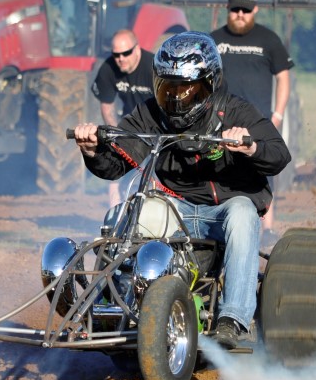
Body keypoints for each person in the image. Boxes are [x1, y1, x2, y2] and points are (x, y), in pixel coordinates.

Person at [72, 32, 290, 350]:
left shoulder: (236, 111)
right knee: (130, 210)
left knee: (243, 212)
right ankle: (113, 305)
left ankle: (234, 320)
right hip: (178, 206)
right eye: (168, 87)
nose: (176, 98)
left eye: (186, 88)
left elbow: (279, 154)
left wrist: (250, 146)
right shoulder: (152, 115)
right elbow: (116, 164)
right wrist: (91, 150)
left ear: (209, 83)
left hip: (227, 207)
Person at [211, 0, 295, 234]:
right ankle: (220, 222)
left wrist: (277, 115)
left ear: (255, 10)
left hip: (258, 120)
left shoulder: (268, 39)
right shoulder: (214, 40)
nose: (240, 14)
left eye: (245, 10)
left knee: (263, 166)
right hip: (220, 118)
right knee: (219, 167)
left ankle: (267, 227)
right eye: (236, 9)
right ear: (228, 9)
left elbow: (283, 77)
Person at [90, 29, 155, 205]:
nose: (121, 59)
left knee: (154, 171)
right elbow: (107, 107)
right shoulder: (108, 68)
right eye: (116, 54)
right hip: (130, 124)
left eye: (126, 53)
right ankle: (115, 215)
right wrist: (117, 136)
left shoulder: (154, 68)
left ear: (137, 49)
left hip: (156, 124)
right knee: (115, 162)